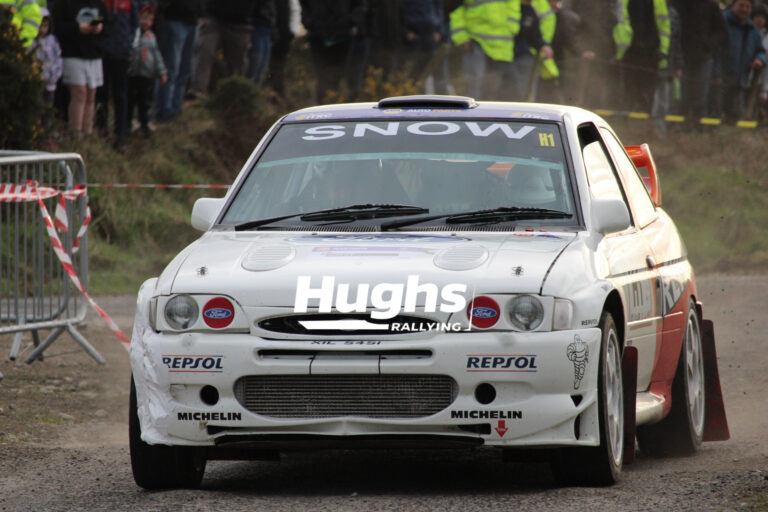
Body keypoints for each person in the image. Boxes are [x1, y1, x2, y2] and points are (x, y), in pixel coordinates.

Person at [450, 0, 552, 100]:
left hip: (503, 47)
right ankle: (473, 111)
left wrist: (541, 44)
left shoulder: (528, 9)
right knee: (475, 86)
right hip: (476, 40)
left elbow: (525, 24)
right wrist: (461, 37)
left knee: (495, 89)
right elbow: (455, 8)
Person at [52, 0, 110, 136]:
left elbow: (110, 25)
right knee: (79, 93)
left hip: (94, 54)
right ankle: (75, 132)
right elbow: (56, 26)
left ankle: (87, 132)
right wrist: (77, 28)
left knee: (91, 94)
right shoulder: (65, 4)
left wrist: (100, 28)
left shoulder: (99, 4)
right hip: (72, 53)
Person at [299, 0, 371, 103]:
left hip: (345, 37)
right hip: (318, 38)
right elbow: (304, 6)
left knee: (346, 79)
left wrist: (349, 21)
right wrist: (310, 22)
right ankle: (323, 106)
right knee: (323, 78)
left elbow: (359, 6)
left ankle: (346, 106)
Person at [188, 0, 256, 96]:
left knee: (237, 65)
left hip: (241, 22)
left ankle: (234, 95)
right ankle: (197, 91)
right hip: (212, 16)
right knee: (204, 51)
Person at [614, 0, 672, 113]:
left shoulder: (659, 2)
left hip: (652, 54)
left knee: (648, 95)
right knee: (628, 93)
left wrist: (663, 50)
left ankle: (645, 120)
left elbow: (665, 26)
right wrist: (618, 51)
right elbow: (618, 22)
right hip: (629, 53)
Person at [676, 0, 727, 126]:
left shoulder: (711, 5)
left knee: (700, 96)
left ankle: (698, 127)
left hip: (703, 57)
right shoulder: (679, 3)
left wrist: (708, 43)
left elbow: (722, 31)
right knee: (681, 95)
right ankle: (679, 125)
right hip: (681, 55)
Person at [95, 0, 137, 149]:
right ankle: (101, 130)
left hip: (121, 54)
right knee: (102, 94)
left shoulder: (129, 3)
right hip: (103, 54)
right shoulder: (102, 3)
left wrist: (128, 44)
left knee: (121, 95)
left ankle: (120, 135)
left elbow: (135, 25)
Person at [154, 0, 203, 121]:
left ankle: (176, 109)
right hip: (174, 18)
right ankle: (163, 111)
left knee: (185, 70)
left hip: (193, 20)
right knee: (171, 68)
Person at [718, 0, 765, 123]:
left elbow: (760, 50)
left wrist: (759, 59)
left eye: (747, 6)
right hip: (719, 79)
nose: (744, 9)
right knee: (715, 115)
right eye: (741, 5)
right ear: (734, 6)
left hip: (741, 81)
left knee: (737, 117)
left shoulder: (753, 29)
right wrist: (717, 73)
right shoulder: (722, 22)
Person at [128, 5, 166, 138]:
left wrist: (162, 71)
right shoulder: (133, 34)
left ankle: (145, 123)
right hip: (132, 74)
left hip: (147, 75)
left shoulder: (151, 37)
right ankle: (129, 122)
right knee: (130, 100)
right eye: (143, 18)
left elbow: (157, 55)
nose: (146, 22)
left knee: (144, 101)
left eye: (149, 20)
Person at [30, 7, 63, 112]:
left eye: (45, 26)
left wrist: (56, 75)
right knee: (36, 108)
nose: (42, 30)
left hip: (50, 82)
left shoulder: (53, 41)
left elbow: (58, 58)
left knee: (48, 108)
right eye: (40, 26)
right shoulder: (31, 42)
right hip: (36, 82)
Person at [247, 0, 276, 85]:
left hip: (267, 29)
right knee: (253, 67)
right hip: (255, 27)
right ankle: (247, 89)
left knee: (261, 70)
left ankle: (255, 90)